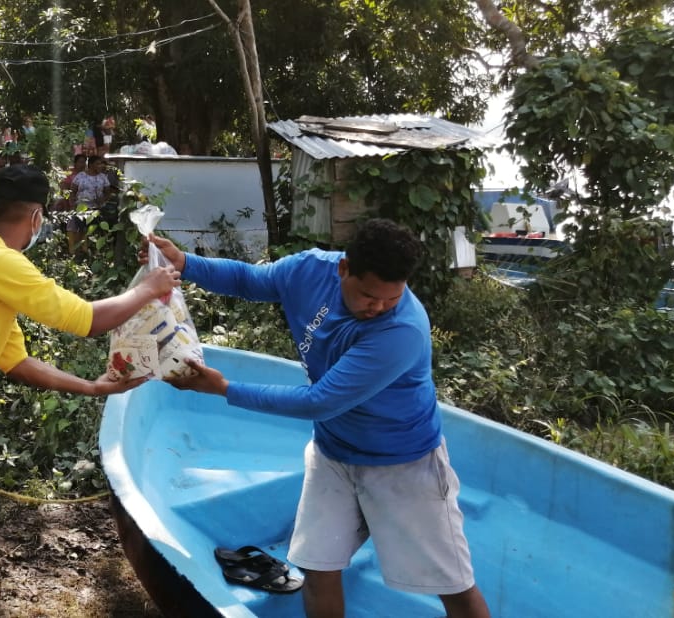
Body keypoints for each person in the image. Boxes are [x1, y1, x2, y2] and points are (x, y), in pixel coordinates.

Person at [152, 218, 491, 618]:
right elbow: (250, 280)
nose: (378, 308)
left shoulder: (402, 330)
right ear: (343, 269)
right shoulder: (308, 269)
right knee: (318, 567)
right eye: (368, 296)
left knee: (452, 585)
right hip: (334, 453)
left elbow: (319, 401)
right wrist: (186, 263)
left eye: (390, 299)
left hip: (403, 465)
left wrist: (224, 388)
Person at [0, 165, 181, 618]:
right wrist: (149, 288)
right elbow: (86, 319)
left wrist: (91, 386)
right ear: (36, 217)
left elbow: (16, 361)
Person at [66, 155, 111, 255]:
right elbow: (72, 191)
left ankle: (92, 251)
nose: (100, 166)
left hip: (96, 207)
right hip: (81, 207)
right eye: (98, 164)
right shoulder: (81, 176)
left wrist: (103, 200)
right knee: (79, 228)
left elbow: (108, 192)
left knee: (93, 229)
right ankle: (78, 252)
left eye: (101, 164)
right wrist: (72, 204)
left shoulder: (103, 177)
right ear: (90, 165)